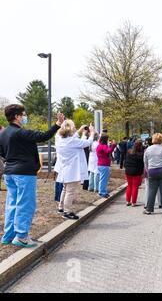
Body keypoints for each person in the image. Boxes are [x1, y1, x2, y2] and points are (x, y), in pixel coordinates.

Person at [0, 104, 64, 248]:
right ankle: (22, 236)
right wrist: (57, 124)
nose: (25, 117)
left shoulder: (3, 133)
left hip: (9, 172)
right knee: (25, 204)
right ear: (17, 116)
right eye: (24, 114)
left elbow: (2, 153)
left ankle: (8, 235)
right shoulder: (21, 133)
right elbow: (43, 136)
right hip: (24, 173)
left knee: (12, 204)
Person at [56, 121, 95, 220]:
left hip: (64, 169)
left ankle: (61, 207)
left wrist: (81, 131)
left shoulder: (59, 139)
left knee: (65, 189)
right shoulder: (73, 141)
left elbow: (73, 138)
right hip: (72, 171)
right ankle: (67, 212)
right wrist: (92, 133)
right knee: (70, 191)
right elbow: (87, 142)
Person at [143, 133, 162, 215]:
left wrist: (148, 171)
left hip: (152, 171)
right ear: (161, 140)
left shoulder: (148, 149)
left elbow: (145, 162)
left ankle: (149, 209)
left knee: (152, 190)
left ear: (153, 139)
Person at [124, 139, 144, 207]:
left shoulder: (129, 151)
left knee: (129, 186)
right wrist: (142, 173)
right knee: (135, 187)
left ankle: (127, 201)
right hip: (137, 172)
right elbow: (142, 164)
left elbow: (125, 161)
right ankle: (133, 202)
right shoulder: (141, 154)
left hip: (128, 171)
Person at [96, 134, 117, 198]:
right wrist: (113, 145)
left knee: (102, 179)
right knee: (104, 179)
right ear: (105, 139)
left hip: (101, 164)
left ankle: (102, 191)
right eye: (107, 139)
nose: (108, 140)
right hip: (104, 164)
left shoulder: (99, 145)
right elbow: (108, 151)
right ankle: (102, 192)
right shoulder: (103, 146)